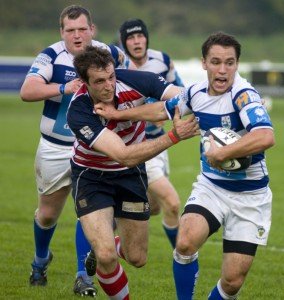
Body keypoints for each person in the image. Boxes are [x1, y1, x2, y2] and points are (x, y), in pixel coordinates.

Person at [95, 32, 275, 299]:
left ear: (237, 64)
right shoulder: (195, 92)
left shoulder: (244, 95)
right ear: (204, 63)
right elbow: (161, 110)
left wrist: (221, 153)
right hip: (211, 187)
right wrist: (117, 114)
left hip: (251, 196)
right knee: (185, 242)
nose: (222, 70)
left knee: (233, 281)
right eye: (215, 62)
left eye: (229, 62)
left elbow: (265, 136)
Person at [66, 46, 200, 299]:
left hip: (130, 175)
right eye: (99, 81)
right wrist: (174, 135)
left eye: (111, 77)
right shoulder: (79, 110)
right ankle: (104, 248)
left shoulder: (137, 80)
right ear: (84, 83)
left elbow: (184, 99)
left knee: (137, 258)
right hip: (91, 175)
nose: (108, 86)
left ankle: (107, 244)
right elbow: (123, 155)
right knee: (106, 256)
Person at [19, 5, 131, 297]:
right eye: (70, 30)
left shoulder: (107, 53)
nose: (77, 36)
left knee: (91, 212)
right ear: (62, 33)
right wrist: (64, 87)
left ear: (92, 30)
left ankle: (83, 275)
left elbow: (125, 72)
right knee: (47, 215)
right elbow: (27, 91)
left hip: (94, 147)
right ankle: (41, 260)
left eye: (82, 29)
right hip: (55, 148)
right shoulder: (52, 56)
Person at [118, 18, 184, 248]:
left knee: (153, 208)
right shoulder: (117, 66)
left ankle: (110, 233)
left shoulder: (163, 61)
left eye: (140, 36)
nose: (136, 41)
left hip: (160, 143)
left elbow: (180, 95)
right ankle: (183, 256)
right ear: (124, 43)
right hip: (135, 146)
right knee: (173, 203)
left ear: (146, 37)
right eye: (130, 38)